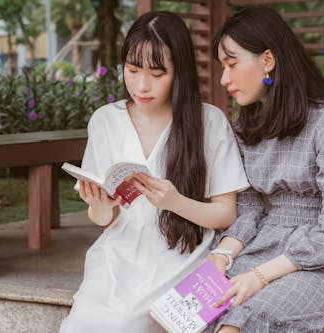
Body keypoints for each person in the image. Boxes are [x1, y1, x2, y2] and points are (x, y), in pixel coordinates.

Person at [59, 11, 249, 333]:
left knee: (124, 324)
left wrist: (175, 202)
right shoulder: (105, 120)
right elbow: (105, 221)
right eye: (132, 70)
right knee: (82, 325)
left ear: (181, 73)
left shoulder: (209, 122)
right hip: (119, 253)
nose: (141, 85)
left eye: (157, 74)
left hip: (181, 253)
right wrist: (101, 209)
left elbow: (226, 213)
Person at [205, 7, 324, 333]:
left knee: (241, 319)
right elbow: (248, 209)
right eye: (222, 67)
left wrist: (259, 276)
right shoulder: (245, 128)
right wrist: (222, 255)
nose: (224, 79)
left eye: (232, 64)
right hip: (266, 246)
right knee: (195, 310)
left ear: (267, 60)